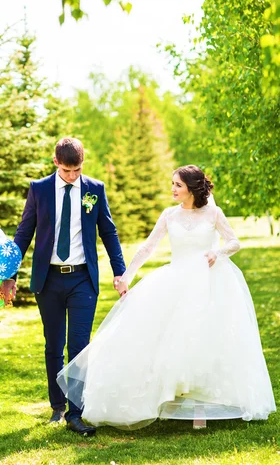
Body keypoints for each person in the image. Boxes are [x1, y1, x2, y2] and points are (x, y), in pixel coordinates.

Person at [57, 165, 276, 430]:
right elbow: (148, 247)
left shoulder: (213, 213)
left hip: (208, 283)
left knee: (203, 339)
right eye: (172, 183)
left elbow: (234, 242)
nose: (172, 189)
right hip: (176, 279)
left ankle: (200, 407)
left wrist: (217, 254)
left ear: (192, 188)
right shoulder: (169, 215)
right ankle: (169, 398)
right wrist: (126, 276)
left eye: (178, 185)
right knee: (170, 339)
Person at [0, 137, 126, 436]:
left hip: (82, 278)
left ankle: (76, 413)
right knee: (53, 344)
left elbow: (108, 232)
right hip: (49, 279)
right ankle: (57, 406)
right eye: (67, 170)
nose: (72, 176)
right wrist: (10, 275)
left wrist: (120, 272)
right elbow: (23, 233)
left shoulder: (94, 189)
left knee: (79, 346)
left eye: (77, 170)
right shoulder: (39, 189)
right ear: (56, 162)